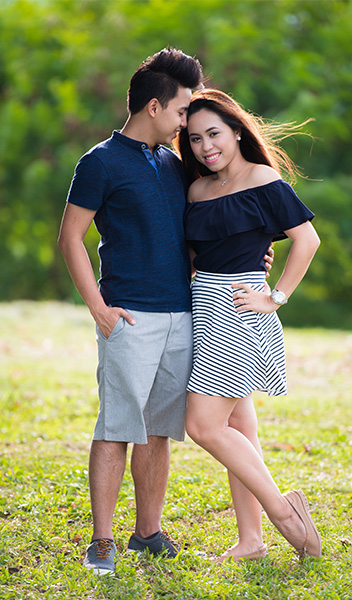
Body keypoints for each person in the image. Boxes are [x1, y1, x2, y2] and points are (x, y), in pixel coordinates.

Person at [58, 47, 206, 576]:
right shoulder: (99, 162)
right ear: (153, 107)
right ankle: (102, 541)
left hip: (181, 317)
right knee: (117, 428)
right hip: (129, 318)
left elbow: (188, 238)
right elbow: (70, 237)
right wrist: (98, 309)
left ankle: (147, 533)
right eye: (183, 110)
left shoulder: (172, 164)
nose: (187, 122)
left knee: (159, 430)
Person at [176, 89, 322, 561]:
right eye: (195, 138)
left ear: (237, 131)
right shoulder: (196, 189)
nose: (205, 146)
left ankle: (286, 517)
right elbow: (201, 253)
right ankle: (251, 541)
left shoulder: (263, 180)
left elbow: (308, 240)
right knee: (239, 424)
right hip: (205, 307)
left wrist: (275, 297)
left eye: (214, 133)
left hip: (240, 310)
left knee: (202, 425)